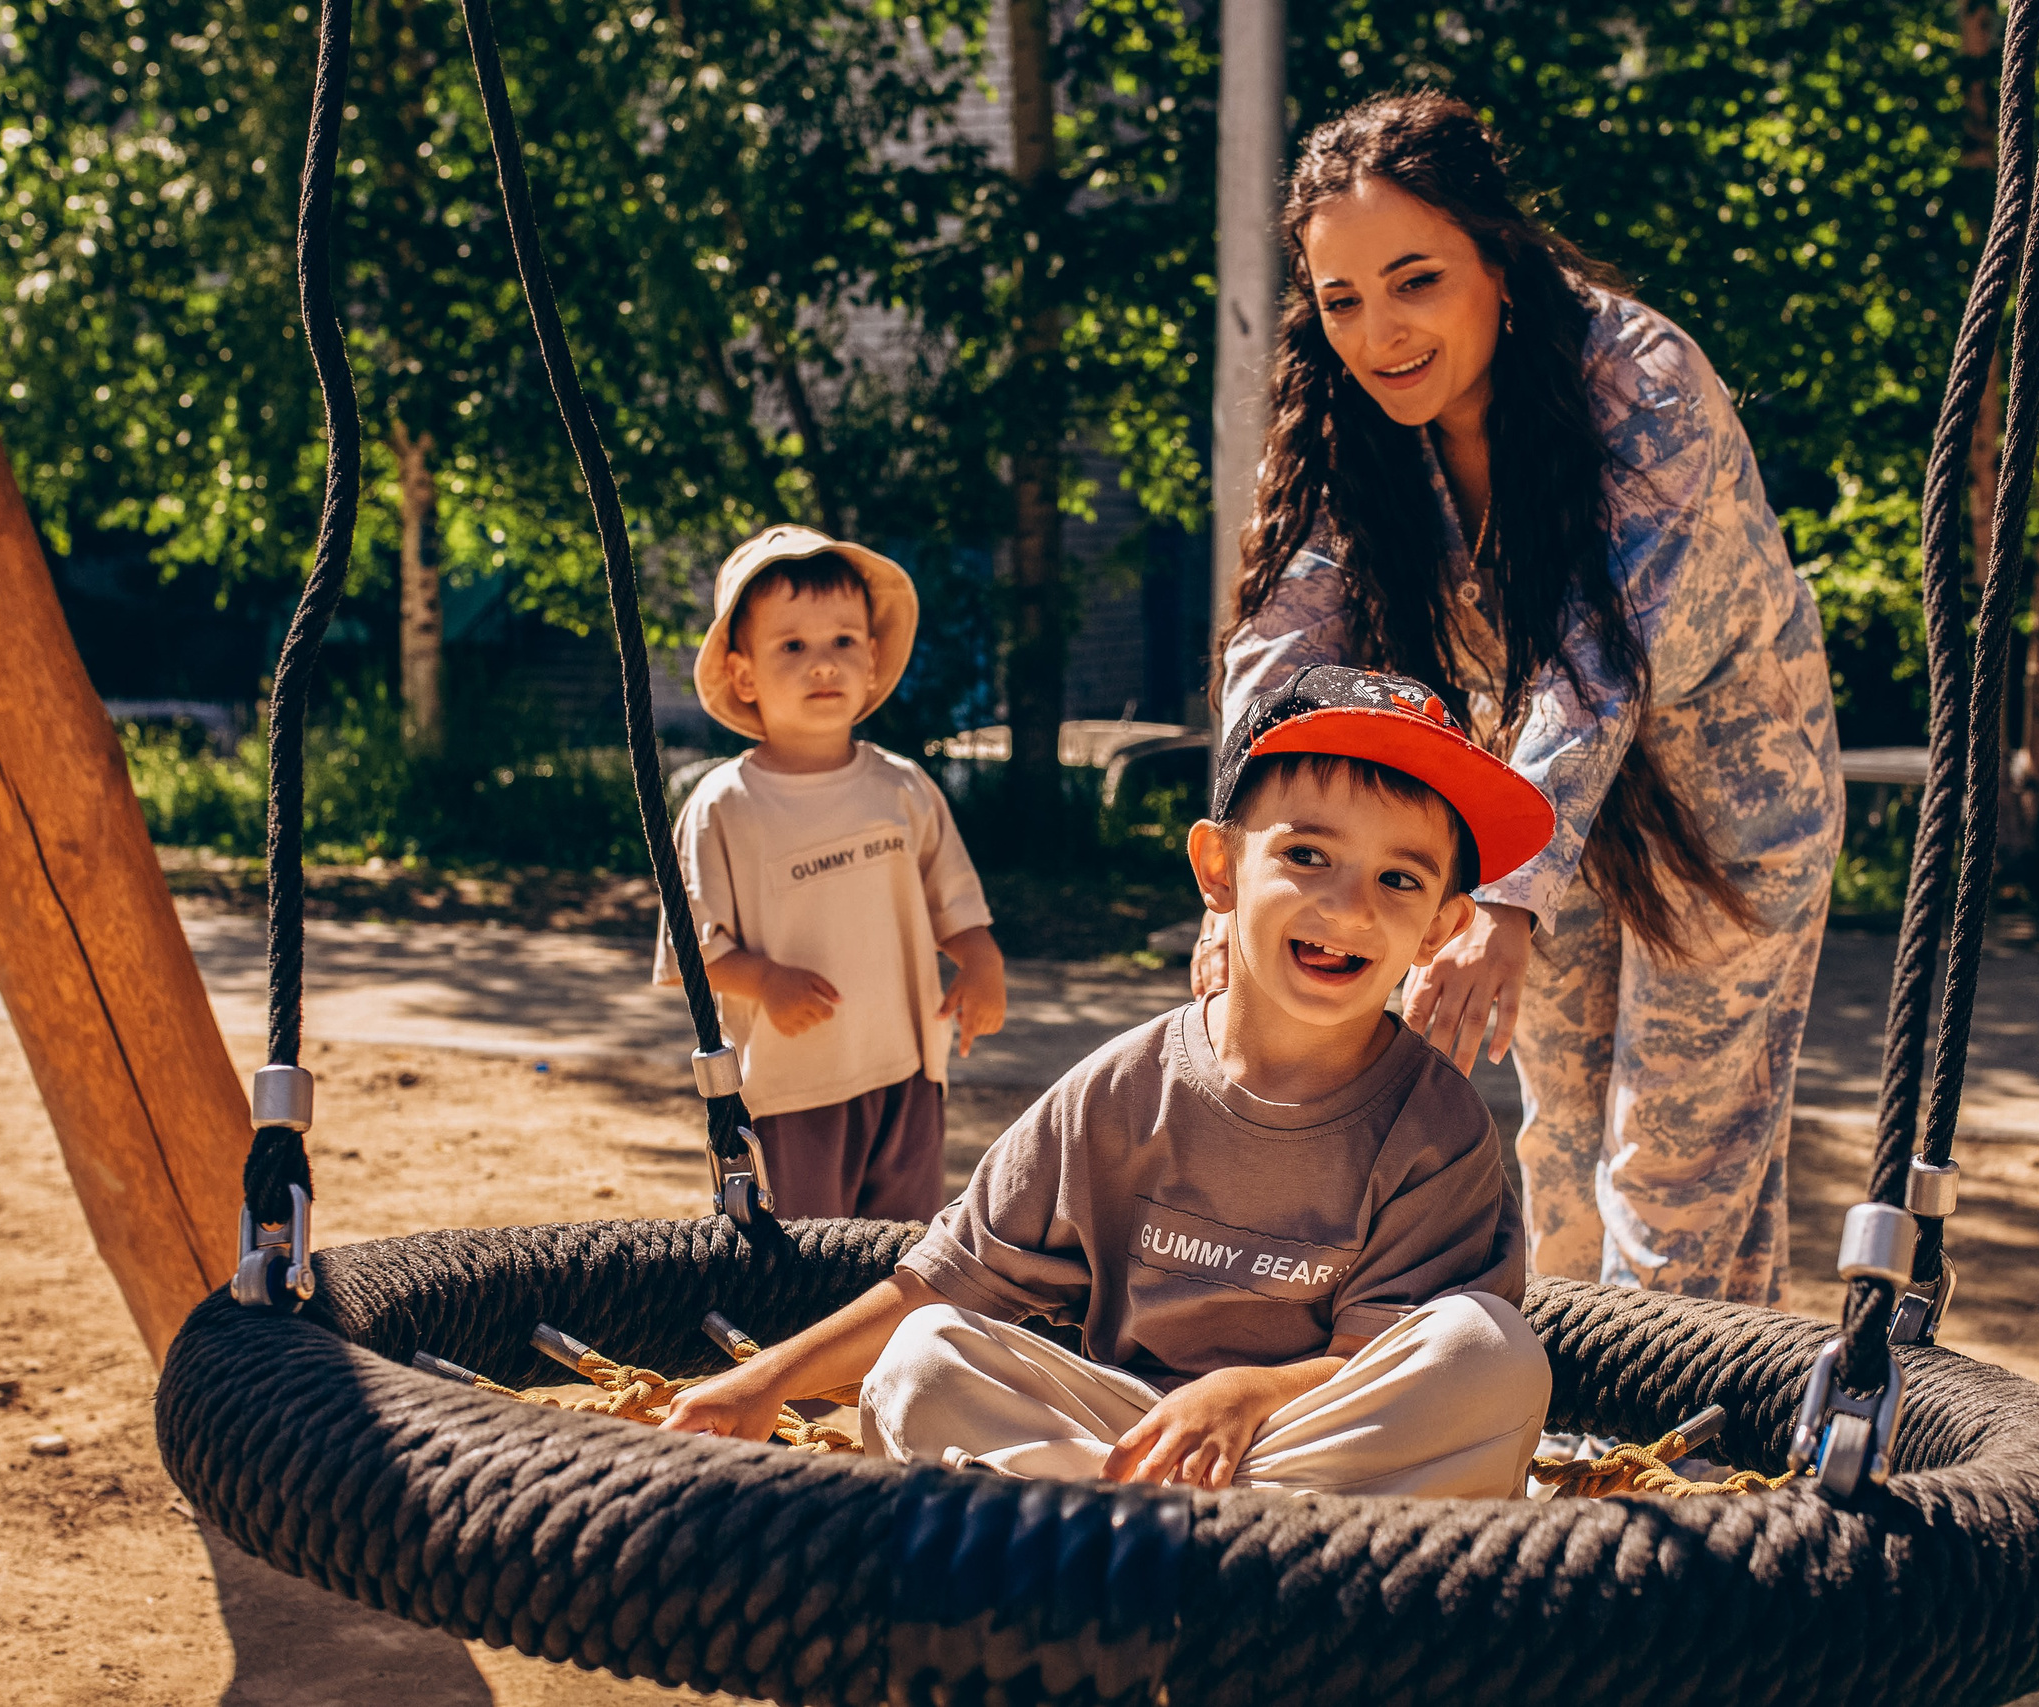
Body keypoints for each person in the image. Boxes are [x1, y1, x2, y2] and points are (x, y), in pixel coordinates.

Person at [1213, 91, 1843, 1306]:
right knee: (1556, 1159)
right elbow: (1285, 655)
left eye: (1415, 281)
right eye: (1341, 300)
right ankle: (1587, 1448)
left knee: (1675, 1182)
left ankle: (1681, 1485)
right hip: (1548, 815)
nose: (1379, 333)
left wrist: (1502, 899)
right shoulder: (1351, 420)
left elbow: (1597, 657)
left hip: (1724, 817)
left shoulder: (1641, 383)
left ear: (1498, 259)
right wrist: (1244, 874)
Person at [664, 666, 1556, 1497]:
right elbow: (943, 1282)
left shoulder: (1437, 1128)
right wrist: (765, 1379)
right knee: (923, 1359)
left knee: (1491, 1353)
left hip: (1308, 1446)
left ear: (1440, 926)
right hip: (1124, 1445)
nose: (1352, 905)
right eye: (1308, 856)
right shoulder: (1119, 1091)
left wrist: (1250, 1394)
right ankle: (1154, 1550)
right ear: (1218, 869)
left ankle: (1176, 1557)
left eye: (1399, 878)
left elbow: (1382, 1362)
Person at [658, 524, 1008, 1222]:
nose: (823, 664)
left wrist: (979, 960)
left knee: (895, 1254)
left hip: (907, 1076)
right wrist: (762, 979)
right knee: (803, 1266)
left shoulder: (903, 788)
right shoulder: (723, 804)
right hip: (790, 1089)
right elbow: (689, 948)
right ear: (743, 673)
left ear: (874, 661)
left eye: (843, 642)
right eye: (793, 646)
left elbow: (955, 901)